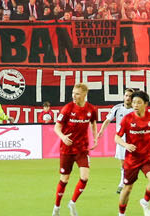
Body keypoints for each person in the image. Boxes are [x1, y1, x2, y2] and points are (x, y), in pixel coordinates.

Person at [52, 82, 99, 216]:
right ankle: (56, 207)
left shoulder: (91, 109)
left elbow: (93, 123)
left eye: (77, 94)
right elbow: (57, 127)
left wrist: (95, 138)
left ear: (84, 95)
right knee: (64, 179)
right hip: (67, 149)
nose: (74, 96)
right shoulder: (67, 108)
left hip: (82, 149)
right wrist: (63, 137)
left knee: (84, 177)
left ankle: (72, 203)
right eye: (73, 93)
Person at [114, 91, 150, 216]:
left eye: (138, 102)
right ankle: (121, 214)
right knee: (127, 189)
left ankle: (145, 201)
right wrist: (126, 145)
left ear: (146, 104)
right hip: (132, 159)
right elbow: (117, 138)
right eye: (134, 102)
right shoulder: (127, 119)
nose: (135, 105)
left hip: (147, 156)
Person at [106, 91, 133, 192]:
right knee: (123, 163)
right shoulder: (117, 108)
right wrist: (101, 131)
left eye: (130, 96)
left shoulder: (136, 109)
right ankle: (122, 181)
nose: (128, 98)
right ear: (123, 96)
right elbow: (107, 120)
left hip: (133, 138)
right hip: (121, 139)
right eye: (126, 95)